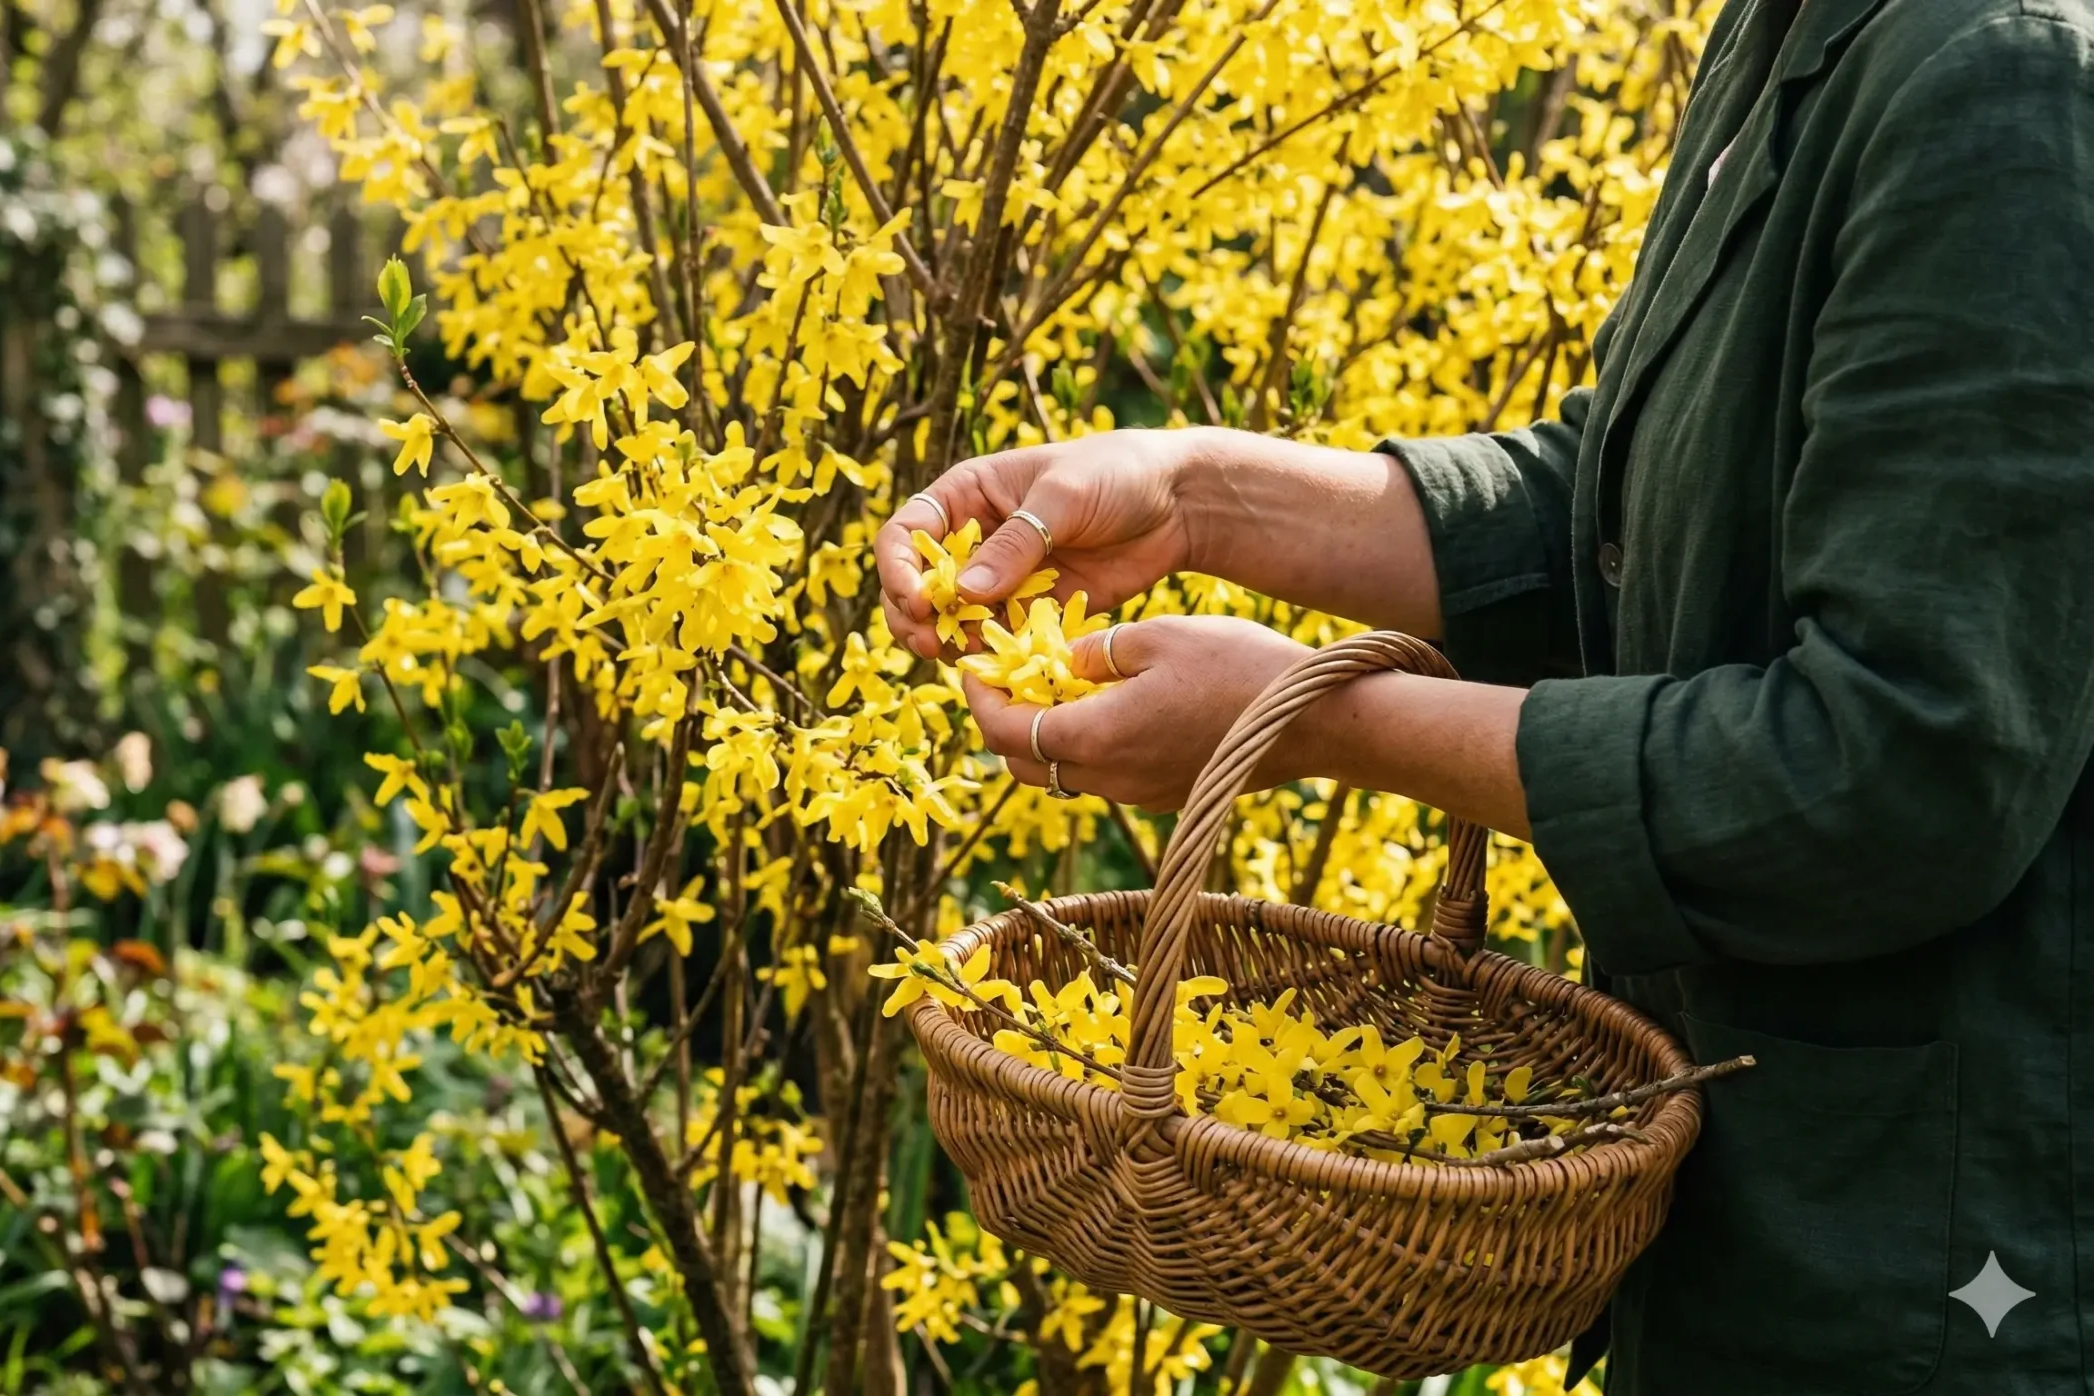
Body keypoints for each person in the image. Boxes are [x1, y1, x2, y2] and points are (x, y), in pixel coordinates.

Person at [874, 0, 2094, 1389]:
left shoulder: (2010, 89)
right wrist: (1194, 491)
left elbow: (1894, 770)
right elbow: (1631, 508)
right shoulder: (1795, 28)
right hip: (1763, 1222)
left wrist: (1318, 720)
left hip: (1945, 1281)